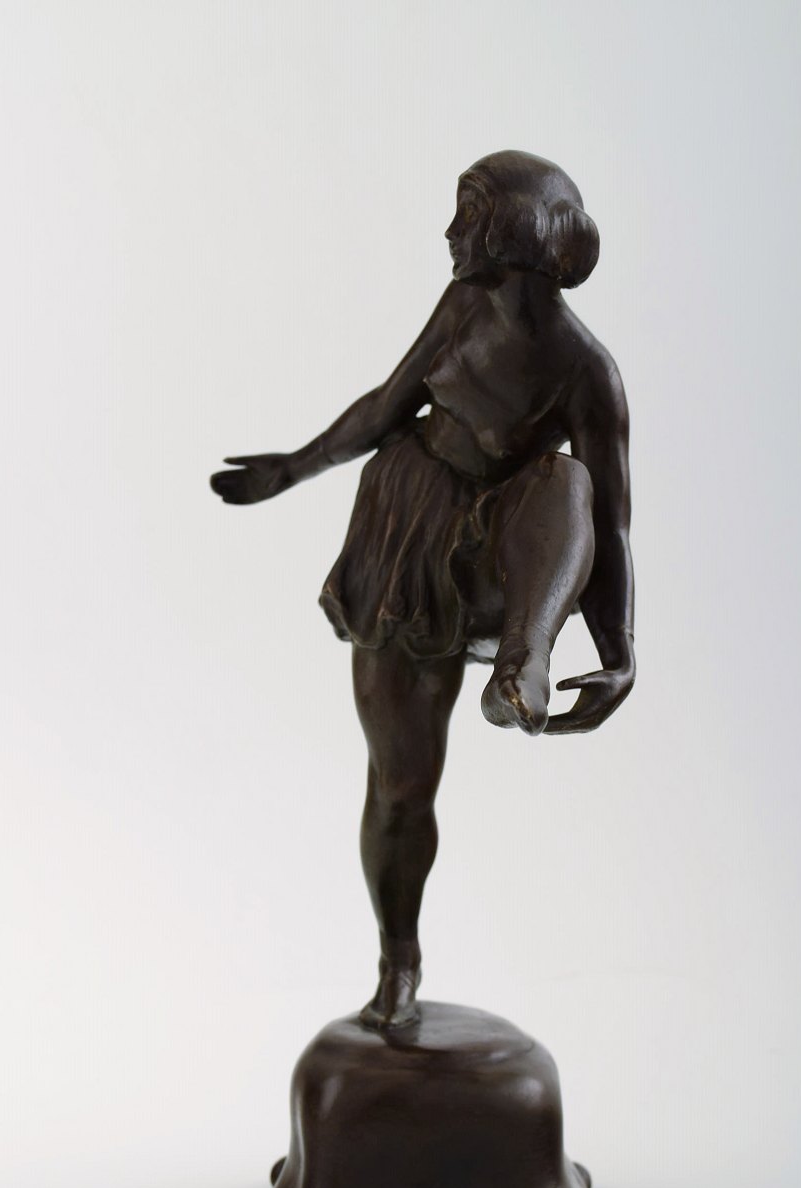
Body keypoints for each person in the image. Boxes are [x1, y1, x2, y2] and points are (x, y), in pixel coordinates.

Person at [211, 150, 635, 1028]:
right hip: (407, 541)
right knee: (400, 787)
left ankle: (523, 662)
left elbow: (609, 528)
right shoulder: (460, 309)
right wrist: (289, 469)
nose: (449, 233)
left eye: (467, 213)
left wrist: (618, 652)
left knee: (567, 484)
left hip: (505, 556)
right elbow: (386, 407)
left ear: (514, 232)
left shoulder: (585, 372)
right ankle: (397, 961)